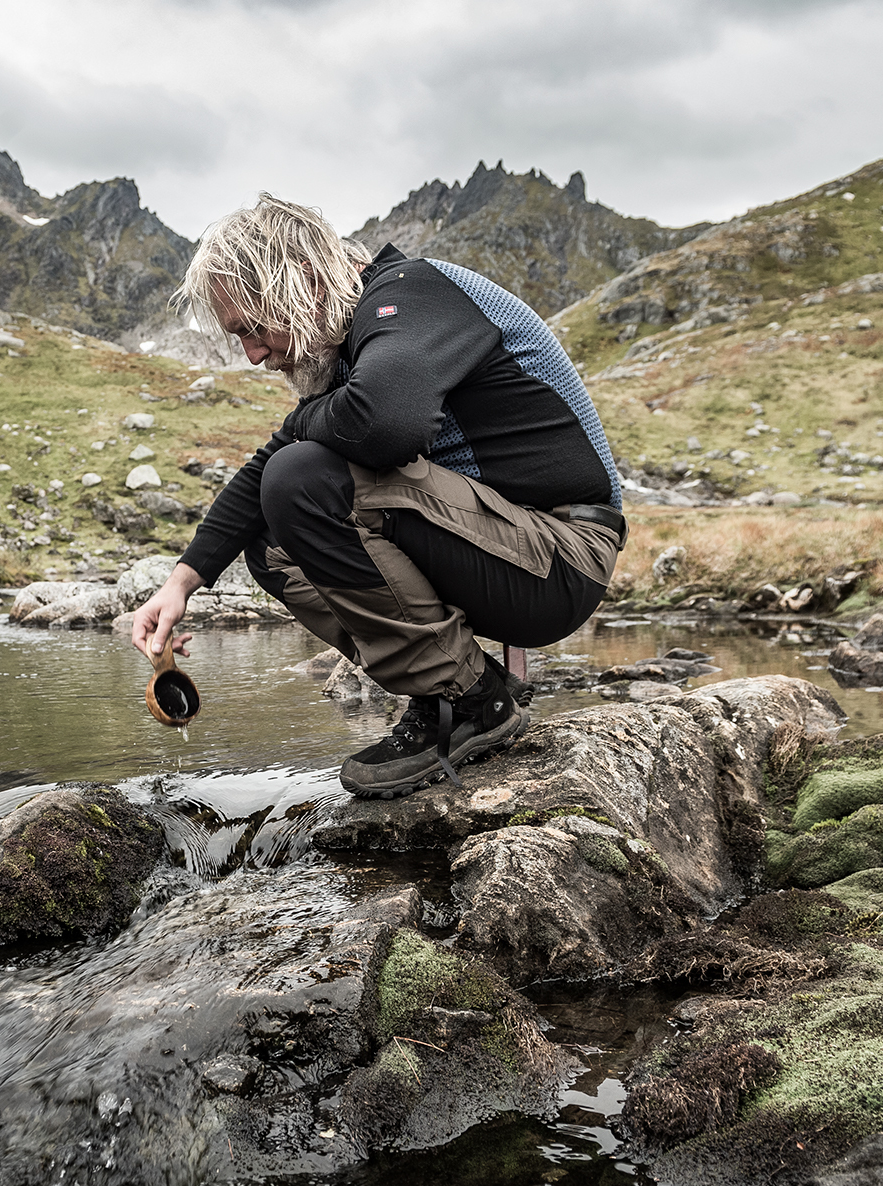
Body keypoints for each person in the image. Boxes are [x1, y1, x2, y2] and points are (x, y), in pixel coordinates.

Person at [130, 194, 624, 798]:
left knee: (301, 480)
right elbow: (269, 471)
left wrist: (303, 424)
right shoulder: (354, 348)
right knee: (269, 528)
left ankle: (464, 704)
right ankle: (461, 689)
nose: (254, 355)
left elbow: (385, 425)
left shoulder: (412, 295)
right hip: (496, 551)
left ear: (301, 279)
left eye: (254, 329)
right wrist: (181, 583)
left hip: (559, 558)